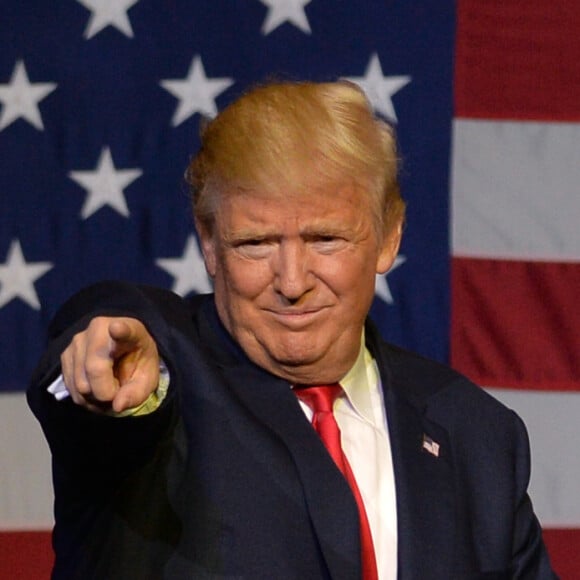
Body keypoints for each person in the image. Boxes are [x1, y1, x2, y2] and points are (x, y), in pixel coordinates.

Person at [28, 80, 556, 579]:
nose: (293, 282)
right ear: (209, 244)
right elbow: (102, 361)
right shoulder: (164, 374)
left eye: (325, 239)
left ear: (389, 236)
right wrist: (114, 380)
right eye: (255, 243)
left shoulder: (479, 437)